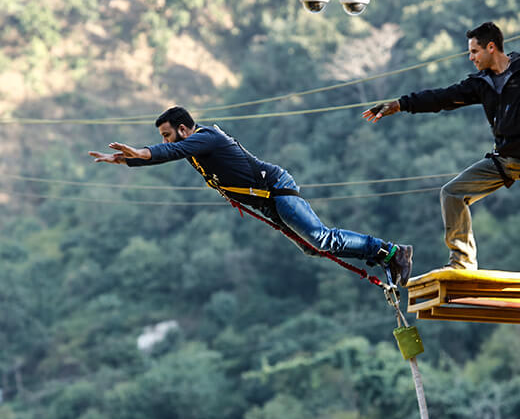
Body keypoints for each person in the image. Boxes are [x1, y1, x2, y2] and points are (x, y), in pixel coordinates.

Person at [89, 106, 413, 285]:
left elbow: (167, 153)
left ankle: (391, 251)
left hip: (275, 190)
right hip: (267, 201)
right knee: (312, 249)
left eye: (167, 135)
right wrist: (129, 159)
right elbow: (166, 153)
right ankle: (383, 256)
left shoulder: (205, 139)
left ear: (184, 129)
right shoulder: (192, 146)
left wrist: (142, 153)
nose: (166, 141)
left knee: (321, 239)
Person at [363, 21, 520, 270]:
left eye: (474, 51)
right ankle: (462, 262)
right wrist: (400, 104)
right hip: (505, 160)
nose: (470, 57)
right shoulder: (481, 84)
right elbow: (442, 97)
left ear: (491, 47)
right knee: (452, 193)